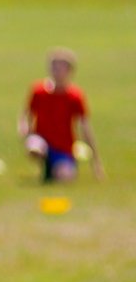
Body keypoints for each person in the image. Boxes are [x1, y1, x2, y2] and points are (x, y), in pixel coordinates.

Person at [20, 47, 105, 182]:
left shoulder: (75, 96)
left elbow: (85, 127)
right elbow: (26, 114)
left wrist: (96, 161)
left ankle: (53, 170)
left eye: (61, 68)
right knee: (34, 146)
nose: (56, 72)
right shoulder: (39, 91)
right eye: (54, 67)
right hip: (42, 141)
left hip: (63, 147)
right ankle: (45, 164)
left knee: (64, 178)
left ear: (70, 71)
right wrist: (24, 129)